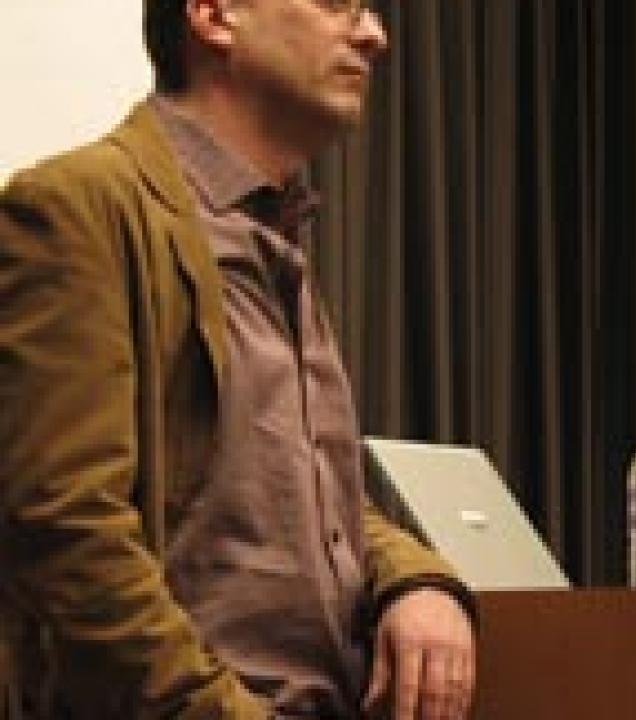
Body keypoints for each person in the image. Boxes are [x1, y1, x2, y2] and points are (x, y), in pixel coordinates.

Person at [0, 1, 474, 717]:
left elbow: (318, 501)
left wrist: (419, 582)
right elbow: (65, 528)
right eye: (338, 3)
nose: (375, 35)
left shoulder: (272, 234)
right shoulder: (76, 206)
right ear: (214, 14)